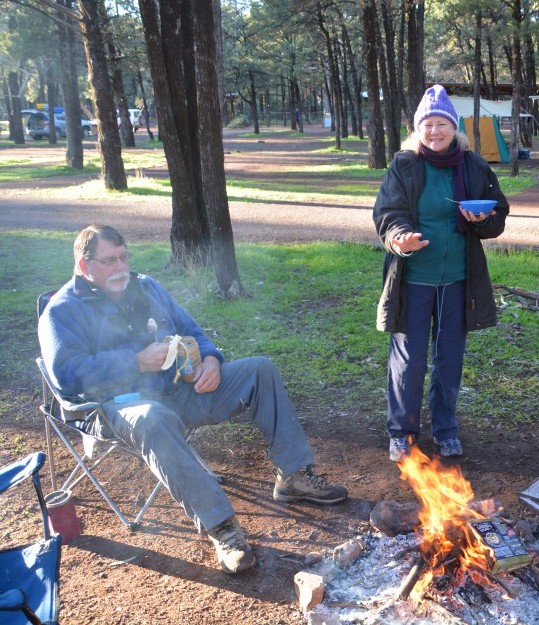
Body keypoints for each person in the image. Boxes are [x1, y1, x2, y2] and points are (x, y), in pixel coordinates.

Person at [38, 225, 349, 574]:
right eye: (109, 261)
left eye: (124, 257)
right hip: (116, 407)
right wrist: (136, 360)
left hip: (178, 391)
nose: (121, 267)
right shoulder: (61, 311)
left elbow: (194, 332)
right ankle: (222, 528)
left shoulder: (146, 287)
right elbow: (65, 376)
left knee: (260, 369)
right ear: (85, 266)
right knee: (153, 417)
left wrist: (213, 360)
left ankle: (294, 476)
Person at [373, 84, 508, 463]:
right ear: (419, 129)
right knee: (409, 359)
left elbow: (498, 217)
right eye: (428, 125)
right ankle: (402, 432)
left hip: (459, 282)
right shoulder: (405, 165)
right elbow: (387, 214)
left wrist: (483, 219)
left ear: (454, 127)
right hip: (414, 279)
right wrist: (400, 238)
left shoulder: (474, 166)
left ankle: (446, 429)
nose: (435, 132)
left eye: (441, 124)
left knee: (449, 358)